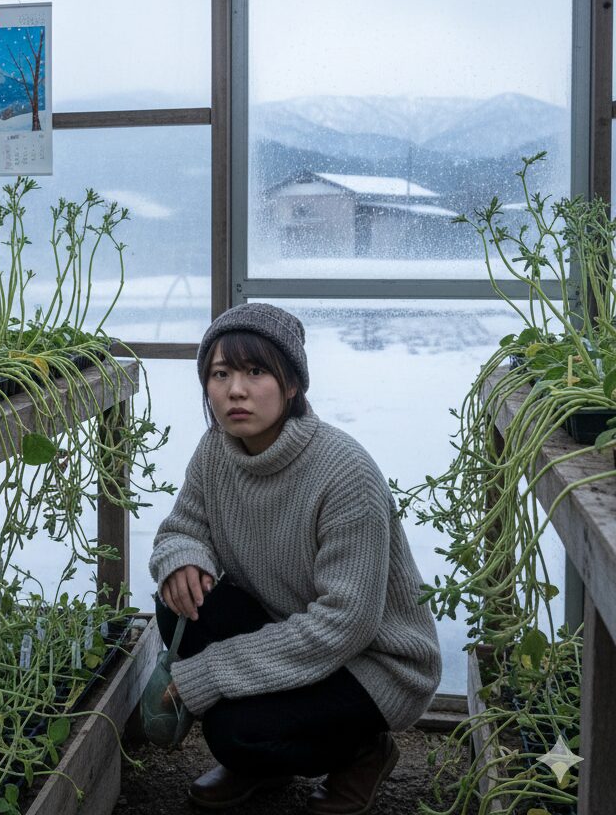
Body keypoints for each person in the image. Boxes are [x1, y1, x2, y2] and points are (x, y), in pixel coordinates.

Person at [148, 303, 442, 814]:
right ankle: (267, 759)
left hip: (372, 661)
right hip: (286, 622)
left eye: (255, 372)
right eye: (221, 374)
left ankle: (364, 751)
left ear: (291, 385)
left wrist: (212, 672)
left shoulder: (344, 473)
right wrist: (182, 558)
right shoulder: (216, 450)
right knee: (181, 598)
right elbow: (183, 528)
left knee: (233, 733)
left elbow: (345, 623)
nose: (235, 390)